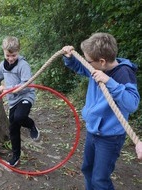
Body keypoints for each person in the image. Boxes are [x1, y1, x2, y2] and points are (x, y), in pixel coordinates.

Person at [62, 32, 140, 189]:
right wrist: (69, 57)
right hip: (93, 131)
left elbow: (132, 104)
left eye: (88, 60)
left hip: (110, 137)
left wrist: (110, 83)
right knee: (87, 169)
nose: (87, 63)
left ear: (102, 61)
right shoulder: (95, 68)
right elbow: (80, 67)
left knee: (100, 179)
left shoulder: (124, 73)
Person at [0, 36, 40, 167]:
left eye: (13, 55)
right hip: (13, 100)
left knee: (20, 116)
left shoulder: (23, 65)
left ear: (18, 52)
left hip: (25, 96)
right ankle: (16, 156)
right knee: (13, 129)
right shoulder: (3, 65)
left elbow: (27, 84)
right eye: (8, 55)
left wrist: (9, 88)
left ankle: (31, 125)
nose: (11, 58)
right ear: (4, 52)